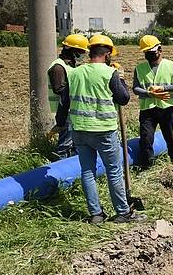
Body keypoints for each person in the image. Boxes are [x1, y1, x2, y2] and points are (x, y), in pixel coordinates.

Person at [55, 34, 145, 224]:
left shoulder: (75, 72)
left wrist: (61, 122)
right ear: (107, 54)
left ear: (90, 53)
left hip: (79, 131)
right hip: (104, 130)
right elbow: (124, 99)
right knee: (113, 171)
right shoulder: (109, 73)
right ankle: (123, 212)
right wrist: (120, 79)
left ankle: (96, 214)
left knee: (87, 172)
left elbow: (64, 102)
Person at [132, 35, 173, 168]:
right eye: (146, 53)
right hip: (147, 110)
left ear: (160, 50)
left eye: (151, 52)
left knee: (172, 140)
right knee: (146, 141)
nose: (149, 55)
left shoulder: (172, 65)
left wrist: (163, 88)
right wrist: (148, 93)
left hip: (167, 108)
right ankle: (147, 167)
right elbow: (135, 88)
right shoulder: (139, 68)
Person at [47, 34, 89, 160]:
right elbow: (59, 89)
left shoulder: (71, 66)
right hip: (65, 112)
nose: (83, 54)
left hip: (73, 110)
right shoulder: (58, 67)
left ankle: (73, 171)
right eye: (81, 51)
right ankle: (59, 172)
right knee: (65, 144)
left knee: (76, 144)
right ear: (72, 50)